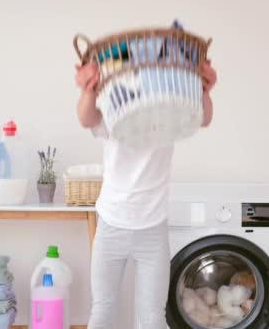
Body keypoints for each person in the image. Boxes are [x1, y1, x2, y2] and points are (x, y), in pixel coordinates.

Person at [75, 58, 217, 328]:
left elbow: (204, 118)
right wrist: (88, 89)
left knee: (152, 317)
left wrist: (204, 89)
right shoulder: (117, 113)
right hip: (112, 223)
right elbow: (86, 117)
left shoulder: (168, 120)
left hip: (152, 228)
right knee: (103, 309)